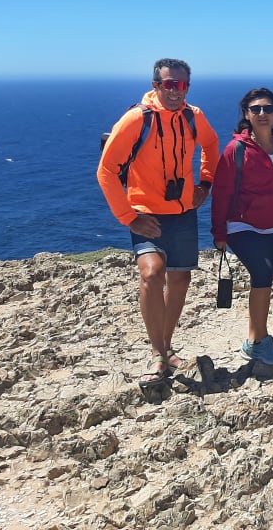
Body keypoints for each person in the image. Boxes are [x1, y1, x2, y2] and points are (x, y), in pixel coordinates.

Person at [97, 58, 219, 389]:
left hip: (183, 212)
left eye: (182, 85)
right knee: (152, 273)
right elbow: (106, 170)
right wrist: (129, 218)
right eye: (169, 84)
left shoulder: (194, 117)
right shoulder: (138, 119)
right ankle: (156, 352)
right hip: (146, 214)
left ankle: (165, 348)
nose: (176, 91)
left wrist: (205, 183)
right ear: (156, 85)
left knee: (179, 280)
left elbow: (211, 145)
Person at [211, 88, 273, 366]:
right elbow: (220, 193)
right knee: (262, 273)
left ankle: (256, 338)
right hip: (242, 225)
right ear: (246, 114)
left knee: (265, 279)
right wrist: (219, 233)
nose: (262, 114)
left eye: (268, 108)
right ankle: (258, 341)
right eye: (255, 109)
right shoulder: (237, 149)